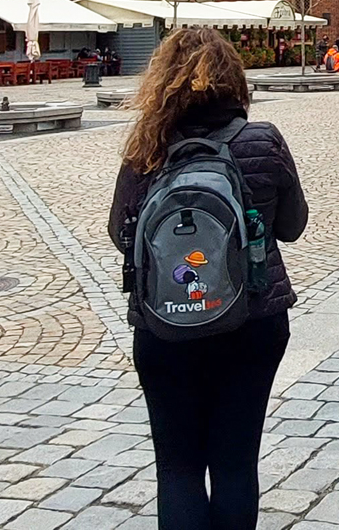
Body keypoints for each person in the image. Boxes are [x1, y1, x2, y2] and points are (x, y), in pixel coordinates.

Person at [108, 27, 308, 530]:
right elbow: (294, 226)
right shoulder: (261, 138)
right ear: (233, 77)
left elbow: (120, 234)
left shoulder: (147, 143)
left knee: (177, 470)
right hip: (253, 319)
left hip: (164, 325)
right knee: (235, 464)